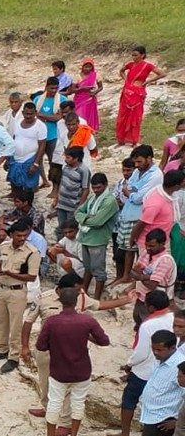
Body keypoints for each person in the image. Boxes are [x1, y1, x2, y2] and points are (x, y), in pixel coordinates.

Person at [34, 282, 111, 436]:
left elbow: (40, 346)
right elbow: (104, 341)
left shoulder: (52, 322)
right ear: (76, 301)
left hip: (58, 370)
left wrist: (54, 344)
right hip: (81, 371)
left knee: (54, 402)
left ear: (60, 301)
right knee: (78, 403)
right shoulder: (87, 321)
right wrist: (87, 337)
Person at [108, 289, 177, 436]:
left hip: (144, 371)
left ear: (151, 307)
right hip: (166, 369)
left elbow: (141, 353)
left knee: (129, 400)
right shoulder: (174, 318)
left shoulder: (148, 324)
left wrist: (129, 364)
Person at [129, 330, 185, 436]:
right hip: (153, 414)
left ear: (171, 347)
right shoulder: (162, 360)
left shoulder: (178, 366)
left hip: (163, 418)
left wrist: (176, 420)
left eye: (159, 350)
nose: (155, 353)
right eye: (153, 349)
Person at [0, 218, 41, 373]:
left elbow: (31, 277)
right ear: (12, 235)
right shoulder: (4, 246)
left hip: (17, 291)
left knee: (16, 325)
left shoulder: (32, 252)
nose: (22, 238)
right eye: (19, 236)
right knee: (0, 322)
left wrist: (9, 273)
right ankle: (1, 349)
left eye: (24, 235)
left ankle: (13, 357)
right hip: (1, 288)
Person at [114, 145, 163, 284]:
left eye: (139, 162)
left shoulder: (156, 175)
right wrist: (132, 193)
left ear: (149, 158)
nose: (136, 165)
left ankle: (137, 280)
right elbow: (130, 187)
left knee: (140, 249)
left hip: (141, 215)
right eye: (135, 162)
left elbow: (138, 197)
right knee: (127, 247)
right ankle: (126, 276)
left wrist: (130, 193)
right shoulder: (137, 171)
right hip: (129, 213)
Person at [75, 173, 119, 304]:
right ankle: (84, 293)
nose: (96, 190)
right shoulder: (93, 197)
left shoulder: (109, 201)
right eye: (94, 188)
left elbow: (98, 222)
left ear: (105, 185)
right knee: (88, 268)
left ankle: (96, 299)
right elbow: (78, 212)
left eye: (99, 187)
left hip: (98, 240)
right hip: (86, 237)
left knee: (98, 270)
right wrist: (88, 218)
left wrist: (84, 219)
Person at [117, 45, 166, 146]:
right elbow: (121, 71)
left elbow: (162, 74)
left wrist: (148, 81)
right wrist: (126, 80)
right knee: (123, 116)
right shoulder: (130, 64)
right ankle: (121, 139)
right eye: (132, 55)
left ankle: (133, 140)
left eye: (136, 55)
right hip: (127, 92)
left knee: (135, 116)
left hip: (137, 93)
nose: (133, 57)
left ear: (142, 55)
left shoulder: (147, 65)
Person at [32, 77, 67, 190]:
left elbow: (58, 117)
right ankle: (44, 181)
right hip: (38, 135)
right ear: (46, 87)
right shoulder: (38, 99)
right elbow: (33, 115)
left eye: (56, 88)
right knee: (37, 160)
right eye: (51, 88)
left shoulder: (61, 99)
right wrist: (48, 117)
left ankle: (55, 188)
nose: (54, 91)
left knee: (54, 162)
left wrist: (41, 116)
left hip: (53, 135)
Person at [7, 102, 46, 195]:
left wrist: (36, 164)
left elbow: (42, 145)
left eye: (31, 114)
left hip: (30, 159)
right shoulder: (17, 122)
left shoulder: (41, 126)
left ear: (35, 113)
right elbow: (13, 139)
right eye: (26, 113)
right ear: (23, 112)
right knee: (14, 183)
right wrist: (8, 157)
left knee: (29, 186)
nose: (28, 116)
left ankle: (28, 206)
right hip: (15, 159)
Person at [54, 146, 89, 238]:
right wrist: (57, 198)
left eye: (68, 157)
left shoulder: (84, 170)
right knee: (61, 228)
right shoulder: (65, 167)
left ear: (76, 158)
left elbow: (86, 189)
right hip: (62, 203)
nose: (66, 160)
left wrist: (80, 206)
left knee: (70, 229)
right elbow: (62, 183)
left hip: (72, 206)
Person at [67, 58, 102, 131]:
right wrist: (82, 89)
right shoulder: (77, 76)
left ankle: (89, 133)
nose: (88, 69)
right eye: (86, 67)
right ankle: (79, 133)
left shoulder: (95, 75)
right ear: (82, 67)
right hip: (79, 100)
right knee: (80, 117)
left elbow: (100, 87)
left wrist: (94, 92)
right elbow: (72, 90)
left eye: (90, 67)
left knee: (89, 117)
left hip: (90, 100)